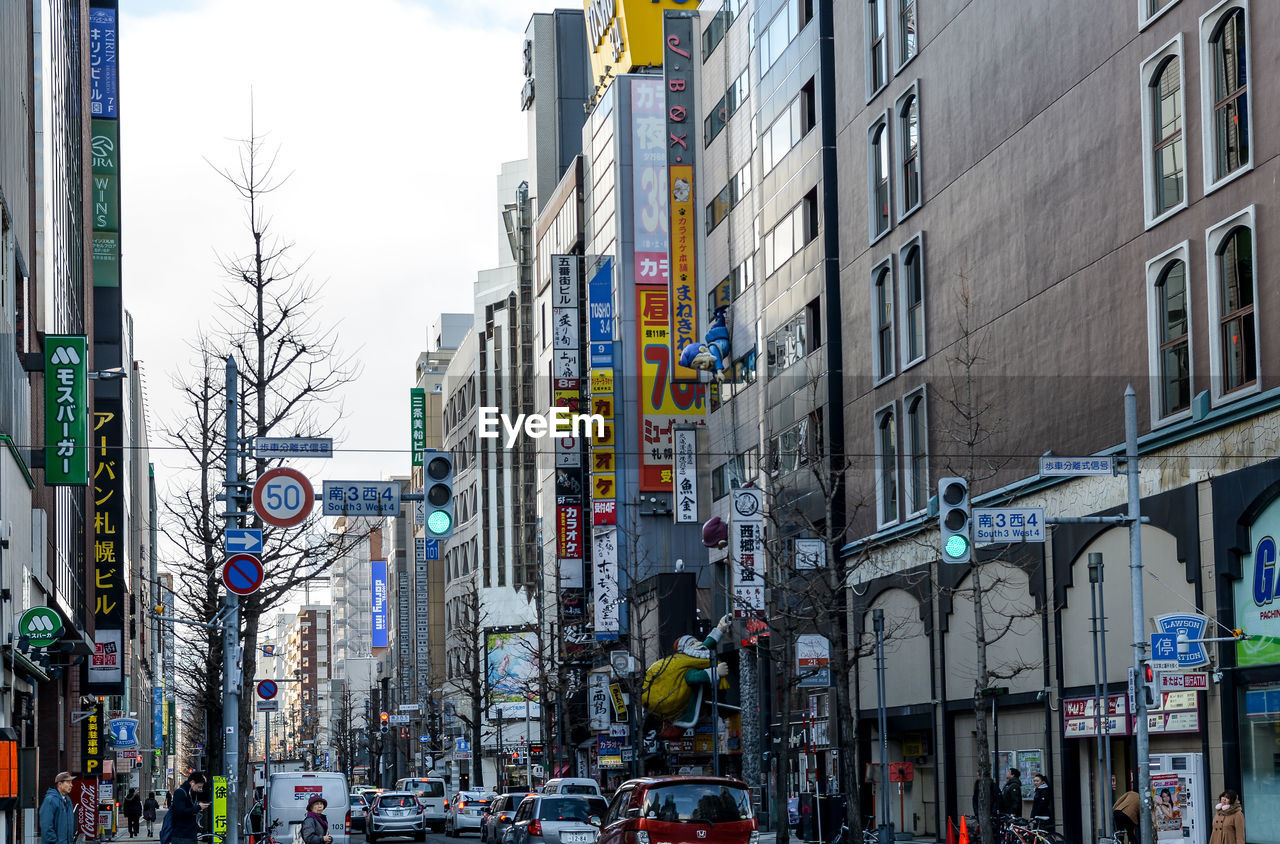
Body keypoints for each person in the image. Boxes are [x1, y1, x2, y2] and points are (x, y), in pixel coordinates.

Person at [170, 773, 210, 844]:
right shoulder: (180, 792)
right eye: (199, 786)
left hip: (190, 834)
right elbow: (181, 812)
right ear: (192, 783)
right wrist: (198, 807)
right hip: (181, 835)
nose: (199, 789)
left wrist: (205, 783)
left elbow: (205, 795)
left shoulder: (191, 792)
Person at [39, 772, 76, 844]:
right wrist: (53, 841)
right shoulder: (50, 800)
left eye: (71, 782)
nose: (71, 785)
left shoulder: (67, 800)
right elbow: (46, 826)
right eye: (68, 782)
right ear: (60, 784)